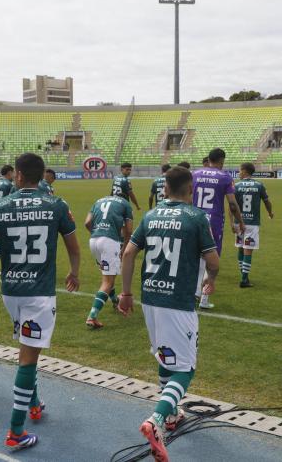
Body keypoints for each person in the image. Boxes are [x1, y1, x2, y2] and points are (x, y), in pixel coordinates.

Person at [0, 152, 80, 450]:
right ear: (41, 174)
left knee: (27, 347)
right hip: (40, 293)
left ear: (18, 175)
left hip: (11, 292)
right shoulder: (56, 204)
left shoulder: (0, 204)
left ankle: (34, 404)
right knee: (29, 359)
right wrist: (74, 271)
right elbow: (73, 245)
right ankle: (16, 431)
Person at [117, 166, 219, 462]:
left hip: (150, 298)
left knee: (164, 356)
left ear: (164, 189)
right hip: (178, 301)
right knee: (185, 369)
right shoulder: (196, 217)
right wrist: (211, 279)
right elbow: (213, 260)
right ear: (190, 190)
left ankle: (172, 414)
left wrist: (125, 294)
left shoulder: (150, 215)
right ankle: (157, 420)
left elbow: (128, 253)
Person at [192, 148, 244, 309]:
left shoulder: (195, 174)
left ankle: (194, 292)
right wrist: (240, 222)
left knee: (195, 256)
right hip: (213, 222)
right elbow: (233, 204)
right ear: (221, 161)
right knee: (211, 260)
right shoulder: (224, 177)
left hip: (194, 218)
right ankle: (204, 299)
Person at [83, 193, 133, 328]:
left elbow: (87, 222)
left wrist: (96, 233)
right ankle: (92, 317)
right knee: (108, 281)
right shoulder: (125, 203)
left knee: (107, 275)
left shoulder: (98, 200)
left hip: (94, 240)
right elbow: (129, 229)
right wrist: (124, 247)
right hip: (109, 241)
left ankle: (115, 301)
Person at [231, 163, 273, 288]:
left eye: (240, 170)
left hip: (239, 222)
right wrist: (270, 212)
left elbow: (232, 205)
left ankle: (244, 275)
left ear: (244, 171)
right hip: (252, 223)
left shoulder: (236, 186)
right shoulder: (259, 185)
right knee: (247, 250)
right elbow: (267, 202)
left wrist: (232, 222)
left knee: (240, 247)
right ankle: (244, 279)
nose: (239, 172)